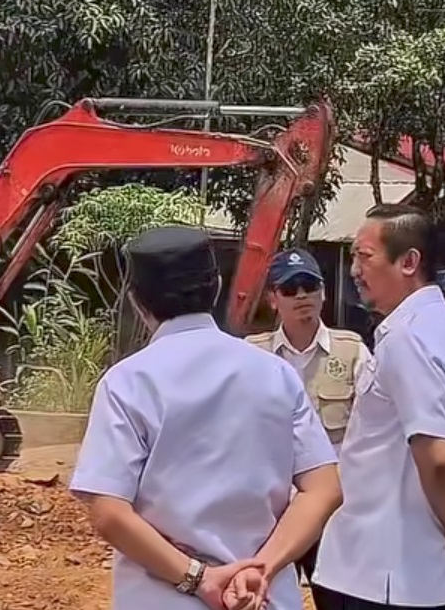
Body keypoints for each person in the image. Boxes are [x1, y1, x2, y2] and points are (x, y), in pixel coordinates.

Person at [69, 225, 343, 610]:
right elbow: (324, 488)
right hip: (261, 598)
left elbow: (110, 513)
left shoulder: (127, 383)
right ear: (215, 286)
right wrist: (262, 568)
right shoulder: (275, 373)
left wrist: (200, 579)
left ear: (137, 301)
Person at [311, 203, 445, 610]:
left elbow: (439, 458)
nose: (354, 270)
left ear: (409, 261)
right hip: (409, 570)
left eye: (364, 256)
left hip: (382, 573)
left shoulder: (408, 338)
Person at [246, 248, 371, 596]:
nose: (302, 295)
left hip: (335, 511)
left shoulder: (353, 352)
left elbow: (372, 434)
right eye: (289, 289)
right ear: (273, 299)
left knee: (339, 601)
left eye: (309, 286)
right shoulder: (251, 355)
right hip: (270, 514)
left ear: (324, 292)